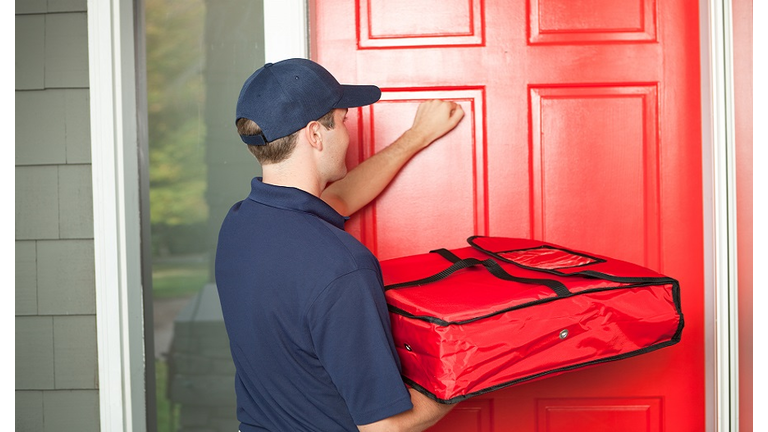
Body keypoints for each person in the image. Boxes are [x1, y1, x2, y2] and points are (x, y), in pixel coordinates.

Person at [215, 58, 464, 432]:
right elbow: (385, 427)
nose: (348, 133)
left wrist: (417, 137)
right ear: (316, 134)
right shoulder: (342, 265)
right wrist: (473, 374)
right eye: (344, 121)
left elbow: (341, 199)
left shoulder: (240, 226)